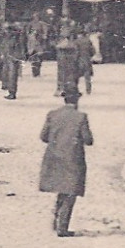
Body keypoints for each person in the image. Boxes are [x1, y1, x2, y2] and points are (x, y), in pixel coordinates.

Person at [39, 89, 93, 237]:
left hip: (54, 157)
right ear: (77, 100)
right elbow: (88, 140)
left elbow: (43, 137)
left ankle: (56, 217)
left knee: (61, 188)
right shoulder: (81, 117)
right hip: (73, 158)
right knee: (70, 191)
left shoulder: (53, 114)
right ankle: (62, 227)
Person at [0, 18, 26, 100]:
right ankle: (8, 88)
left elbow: (18, 46)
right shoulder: (9, 36)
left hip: (12, 57)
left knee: (12, 74)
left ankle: (12, 92)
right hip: (9, 56)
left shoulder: (13, 36)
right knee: (8, 73)